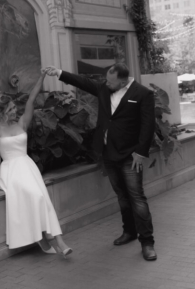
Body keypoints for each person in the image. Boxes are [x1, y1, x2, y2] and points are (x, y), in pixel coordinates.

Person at [45, 63, 157, 261]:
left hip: (131, 156)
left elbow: (147, 126)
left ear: (123, 82)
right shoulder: (105, 88)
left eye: (111, 81)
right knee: (122, 197)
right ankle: (129, 232)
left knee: (137, 198)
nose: (106, 84)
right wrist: (59, 73)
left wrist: (141, 153)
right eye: (106, 80)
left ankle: (147, 242)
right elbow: (83, 82)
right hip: (108, 153)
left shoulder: (142, 94)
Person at [0, 69, 72, 257]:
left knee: (43, 199)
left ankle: (58, 241)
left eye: (15, 108)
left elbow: (32, 98)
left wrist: (41, 77)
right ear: (2, 112)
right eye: (11, 110)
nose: (15, 111)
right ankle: (47, 239)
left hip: (27, 167)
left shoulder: (22, 123)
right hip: (10, 171)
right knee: (36, 196)